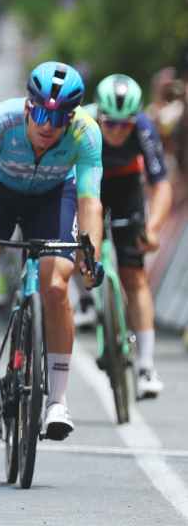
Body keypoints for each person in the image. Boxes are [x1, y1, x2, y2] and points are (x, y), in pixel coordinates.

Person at [0, 61, 103, 441]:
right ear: (26, 106)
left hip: (54, 196)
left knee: (55, 286)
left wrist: (90, 255)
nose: (48, 125)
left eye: (59, 117)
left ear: (73, 116)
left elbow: (90, 202)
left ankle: (58, 402)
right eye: (40, 113)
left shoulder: (86, 133)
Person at [82, 74, 172, 398]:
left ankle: (146, 365)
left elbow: (161, 184)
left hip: (127, 187)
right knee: (81, 243)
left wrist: (153, 228)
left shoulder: (144, 128)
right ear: (99, 114)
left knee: (134, 276)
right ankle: (85, 301)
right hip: (90, 184)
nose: (118, 130)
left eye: (125, 124)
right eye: (110, 123)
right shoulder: (84, 122)